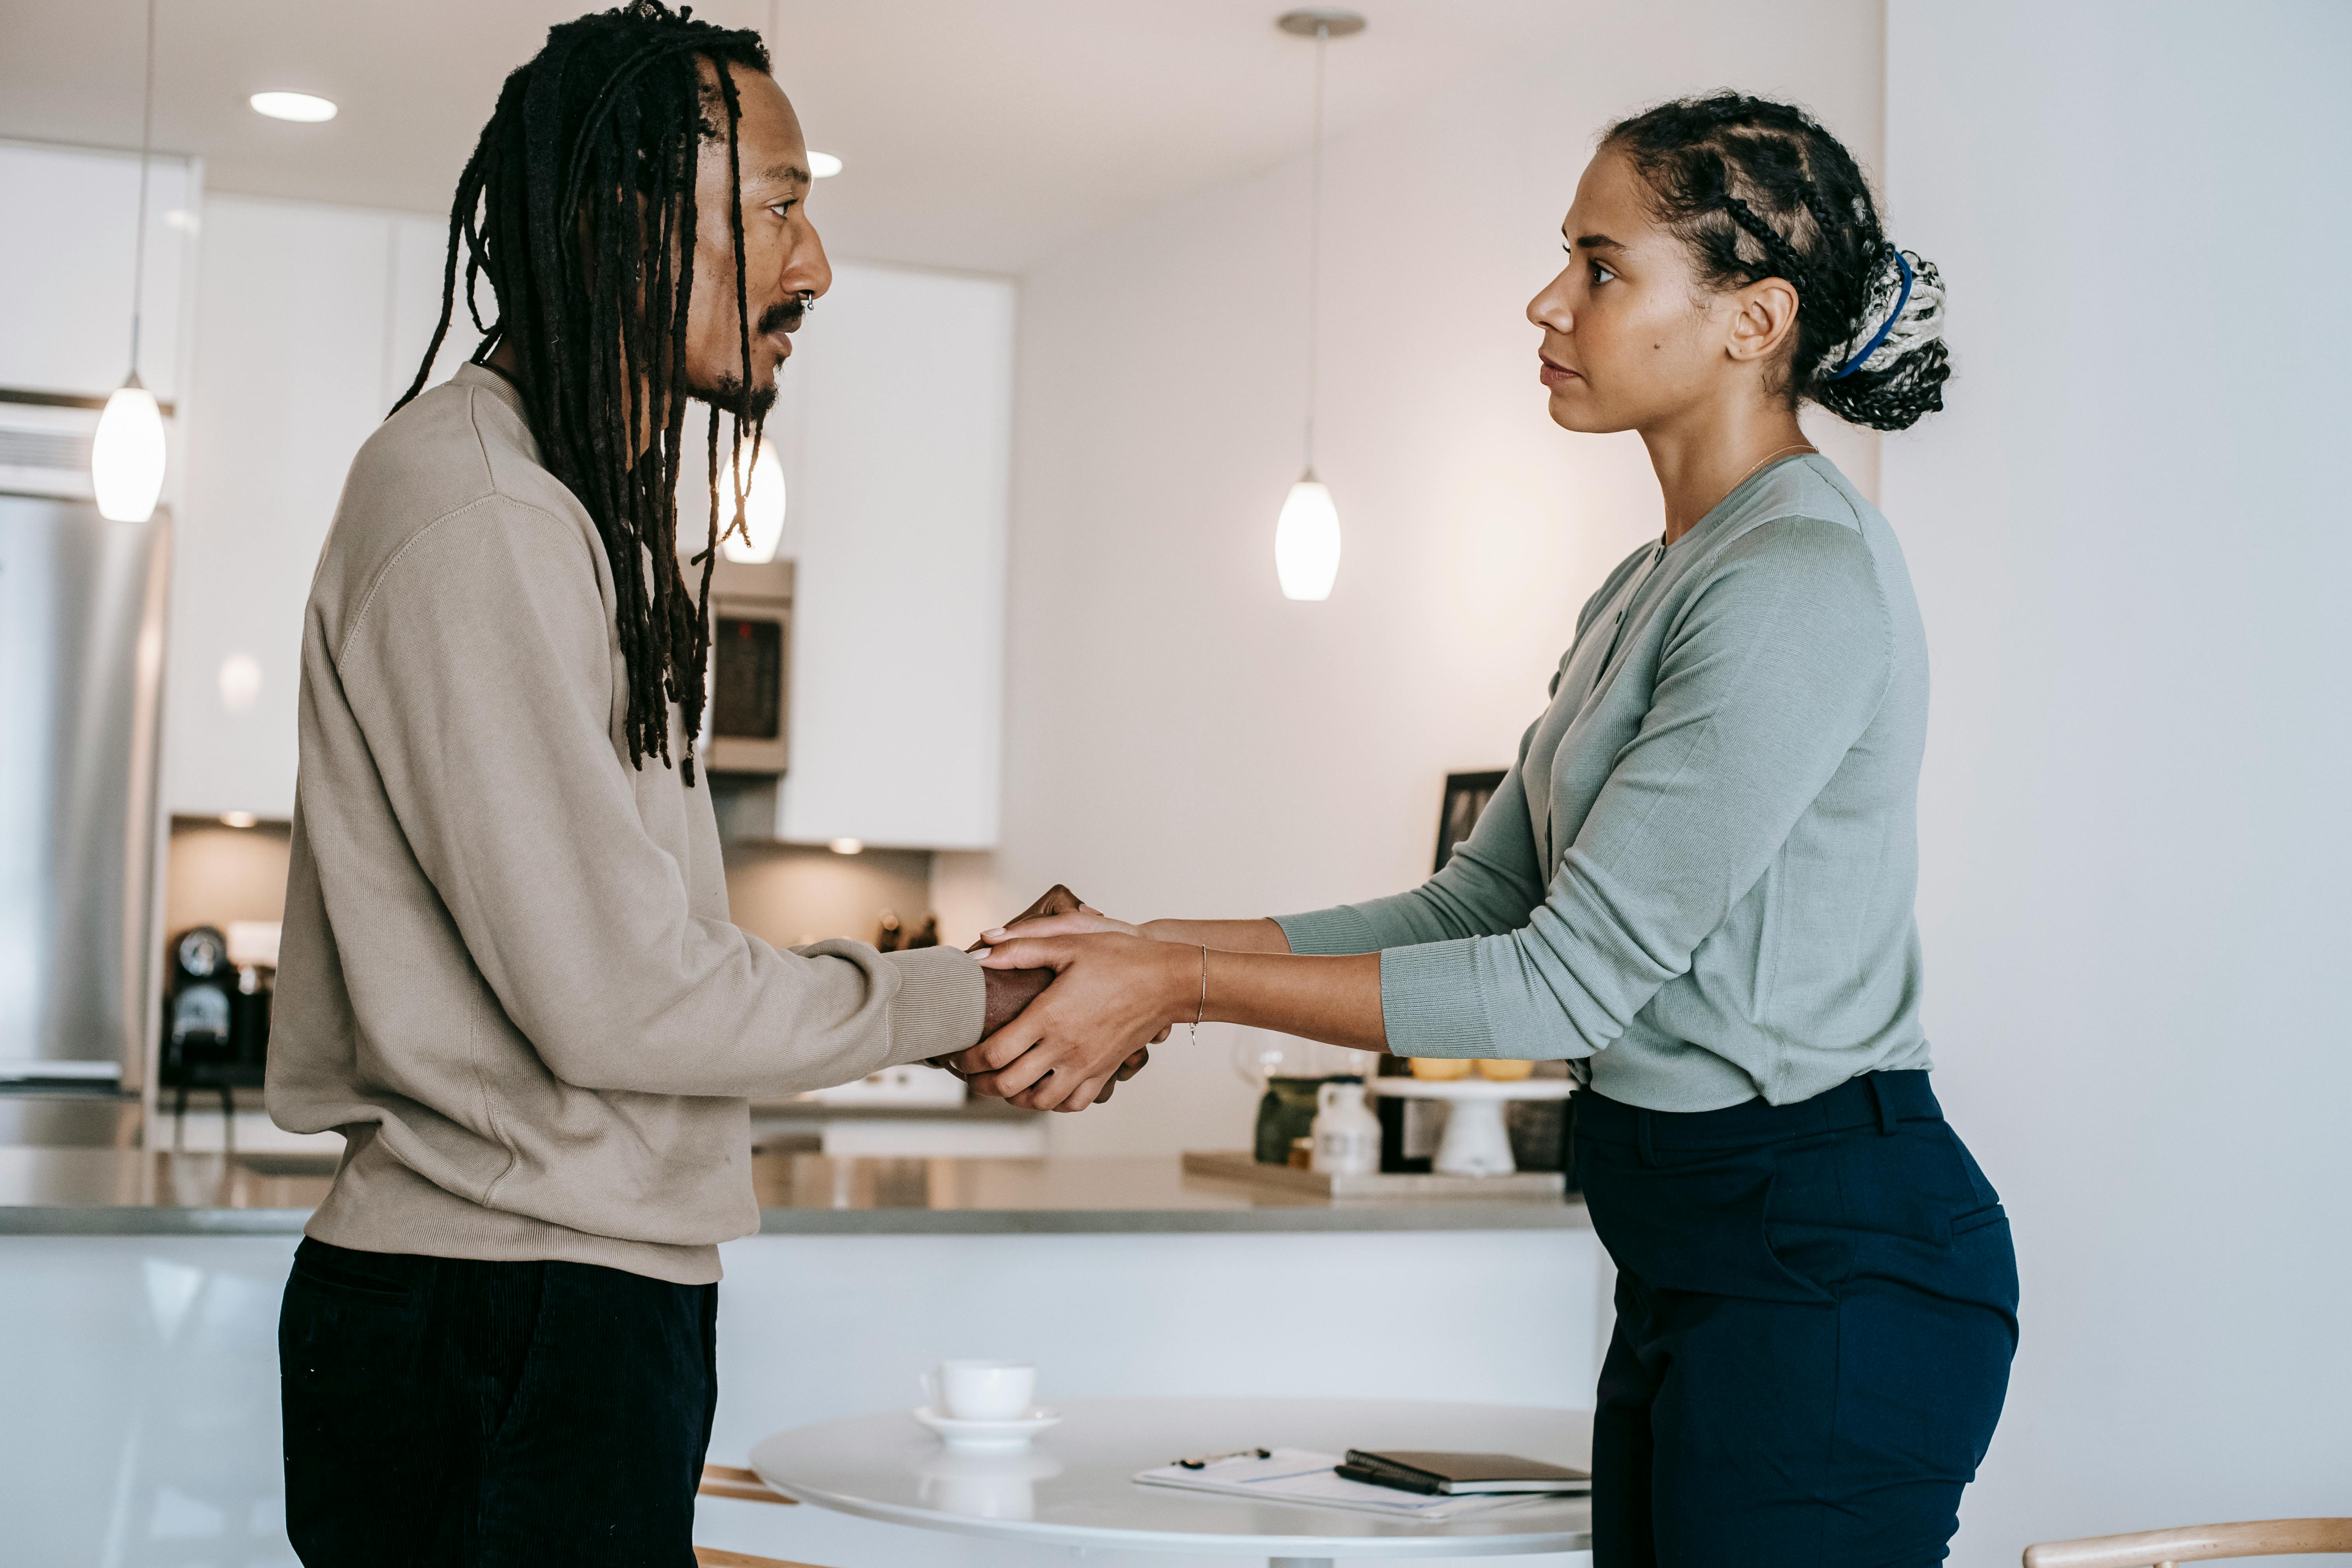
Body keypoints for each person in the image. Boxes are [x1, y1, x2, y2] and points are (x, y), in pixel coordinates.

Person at [957, 94, 2018, 1567]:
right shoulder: (1655, 582)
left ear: (1752, 320)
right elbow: (1477, 912)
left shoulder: (1794, 579)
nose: (1549, 300)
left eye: (1601, 266)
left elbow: (1567, 982)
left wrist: (1178, 985)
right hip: (1702, 1254)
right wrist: (1141, 944)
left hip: (1825, 1258)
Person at [263, 5, 1128, 1561]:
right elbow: (623, 1001)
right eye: (783, 203)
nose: (819, 265)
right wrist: (966, 998)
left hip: (554, 1302)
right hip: (503, 1314)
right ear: (627, 211)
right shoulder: (486, 514)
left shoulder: (573, 499)